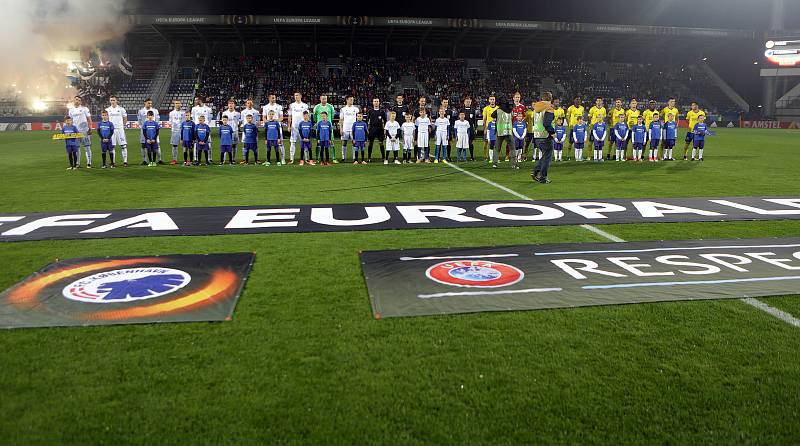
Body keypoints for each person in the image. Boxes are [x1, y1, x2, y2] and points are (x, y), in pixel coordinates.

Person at [531, 92, 556, 182]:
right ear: (550, 98)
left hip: (537, 135)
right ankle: (543, 177)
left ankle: (535, 171)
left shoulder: (536, 107)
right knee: (547, 158)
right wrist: (552, 132)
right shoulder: (549, 107)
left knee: (545, 156)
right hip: (545, 136)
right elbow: (546, 123)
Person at [68, 96, 93, 168]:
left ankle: (89, 163)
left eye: (79, 100)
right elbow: (70, 121)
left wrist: (90, 128)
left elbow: (89, 119)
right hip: (76, 131)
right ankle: (78, 163)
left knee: (87, 147)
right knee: (77, 148)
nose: (77, 101)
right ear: (74, 100)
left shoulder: (84, 109)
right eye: (76, 99)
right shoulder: (71, 110)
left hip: (85, 131)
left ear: (81, 102)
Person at [492, 98, 515, 169]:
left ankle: (495, 163)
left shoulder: (498, 110)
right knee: (512, 148)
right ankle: (513, 164)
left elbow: (492, 115)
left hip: (500, 131)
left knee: (497, 148)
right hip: (508, 131)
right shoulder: (511, 111)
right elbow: (512, 118)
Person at [105, 96, 128, 167]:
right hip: (112, 130)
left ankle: (125, 162)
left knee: (123, 146)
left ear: (116, 101)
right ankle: (113, 162)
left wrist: (123, 126)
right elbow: (106, 119)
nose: (112, 101)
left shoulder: (121, 109)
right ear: (110, 101)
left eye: (114, 100)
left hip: (120, 129)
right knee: (112, 147)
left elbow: (125, 118)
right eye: (111, 100)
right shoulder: (107, 110)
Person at [313, 95, 337, 163]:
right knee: (318, 143)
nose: (324, 100)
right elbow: (314, 117)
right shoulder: (317, 107)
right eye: (323, 99)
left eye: (325, 99)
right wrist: (318, 122)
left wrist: (328, 123)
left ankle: (334, 158)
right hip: (320, 128)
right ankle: (317, 158)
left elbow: (332, 116)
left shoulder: (330, 107)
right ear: (320, 99)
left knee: (331, 142)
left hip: (328, 127)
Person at [287, 92, 309, 164]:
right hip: (294, 127)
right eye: (295, 95)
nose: (296, 96)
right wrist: (289, 126)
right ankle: (291, 159)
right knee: (292, 142)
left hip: (303, 128)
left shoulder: (305, 105)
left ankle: (306, 159)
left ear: (301, 96)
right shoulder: (291, 105)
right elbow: (289, 116)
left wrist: (307, 126)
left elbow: (307, 116)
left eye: (297, 95)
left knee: (304, 142)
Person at [138, 98, 160, 165]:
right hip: (145, 131)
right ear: (145, 103)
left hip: (154, 131)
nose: (150, 104)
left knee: (157, 145)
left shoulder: (155, 111)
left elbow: (157, 121)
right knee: (143, 145)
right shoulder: (141, 111)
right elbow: (139, 121)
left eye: (151, 103)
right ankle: (144, 160)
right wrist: (144, 128)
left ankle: (159, 159)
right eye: (148, 103)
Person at [191, 96, 212, 164]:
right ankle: (195, 159)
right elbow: (193, 118)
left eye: (196, 100)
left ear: (200, 100)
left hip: (205, 129)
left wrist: (205, 125)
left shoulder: (208, 109)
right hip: (197, 128)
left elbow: (209, 118)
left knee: (209, 144)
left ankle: (209, 159)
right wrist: (198, 125)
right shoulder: (194, 109)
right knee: (196, 144)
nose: (195, 101)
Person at [339, 96, 359, 162]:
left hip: (353, 129)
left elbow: (358, 118)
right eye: (350, 100)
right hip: (345, 129)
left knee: (354, 143)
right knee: (344, 143)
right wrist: (341, 129)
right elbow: (341, 120)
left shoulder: (356, 109)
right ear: (347, 100)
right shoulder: (343, 109)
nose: (352, 101)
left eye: (352, 100)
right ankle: (343, 158)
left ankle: (354, 158)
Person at [366, 97, 385, 162]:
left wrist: (384, 129)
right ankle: (369, 157)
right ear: (373, 102)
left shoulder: (382, 111)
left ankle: (383, 157)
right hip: (372, 129)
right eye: (375, 101)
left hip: (380, 129)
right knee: (370, 143)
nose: (376, 102)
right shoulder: (370, 111)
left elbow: (385, 120)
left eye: (377, 101)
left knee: (381, 143)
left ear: (379, 102)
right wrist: (367, 129)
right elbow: (367, 120)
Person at [459, 97, 478, 161]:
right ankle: (460, 156)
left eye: (469, 101)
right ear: (464, 102)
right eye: (466, 101)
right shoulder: (461, 110)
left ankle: (472, 157)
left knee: (470, 143)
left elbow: (475, 120)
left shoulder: (473, 110)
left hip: (470, 129)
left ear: (471, 102)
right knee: (461, 143)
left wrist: (475, 128)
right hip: (462, 129)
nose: (468, 103)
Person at [482, 94, 499, 160]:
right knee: (486, 143)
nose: (492, 101)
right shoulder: (486, 108)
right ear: (489, 100)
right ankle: (485, 156)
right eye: (491, 99)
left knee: (496, 143)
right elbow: (484, 119)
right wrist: (484, 128)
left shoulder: (498, 108)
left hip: (496, 128)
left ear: (495, 100)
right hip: (488, 128)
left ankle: (495, 156)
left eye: (493, 99)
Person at [168, 100, 184, 165]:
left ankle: (186, 159)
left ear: (181, 104)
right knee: (174, 146)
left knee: (184, 145)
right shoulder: (171, 113)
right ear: (174, 104)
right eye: (176, 103)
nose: (177, 104)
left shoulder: (183, 113)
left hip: (183, 131)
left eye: (178, 103)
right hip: (174, 132)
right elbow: (170, 122)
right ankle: (174, 159)